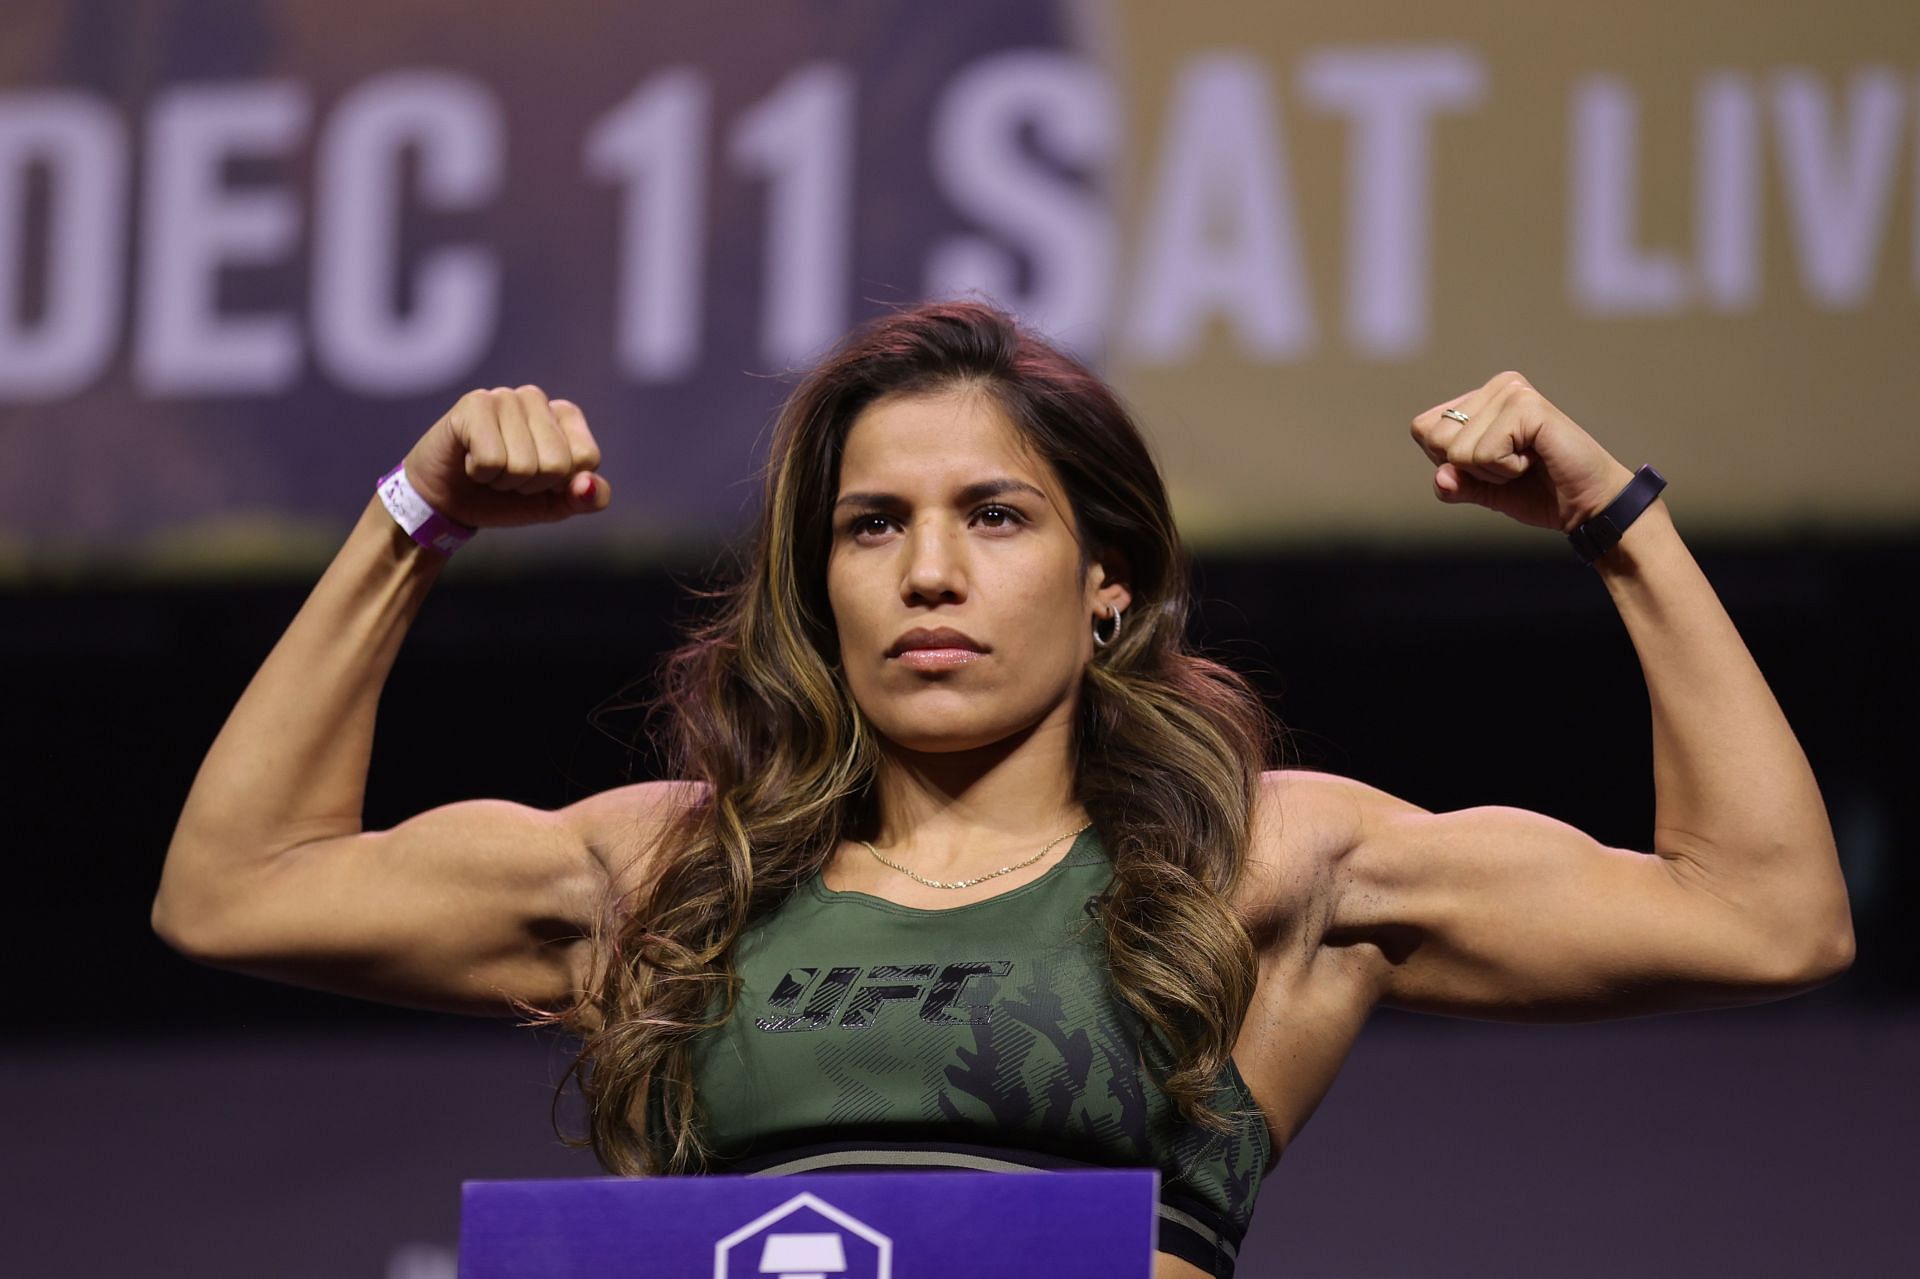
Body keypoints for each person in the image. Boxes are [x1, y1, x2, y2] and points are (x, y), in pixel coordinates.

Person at [152, 299, 1854, 1279]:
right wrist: (412, 519)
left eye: (998, 515)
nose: (931, 574)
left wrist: (1612, 523)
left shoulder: (1265, 862)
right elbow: (236, 884)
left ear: (1107, 578)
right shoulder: (668, 871)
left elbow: (1764, 914)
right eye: (872, 526)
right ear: (821, 585)